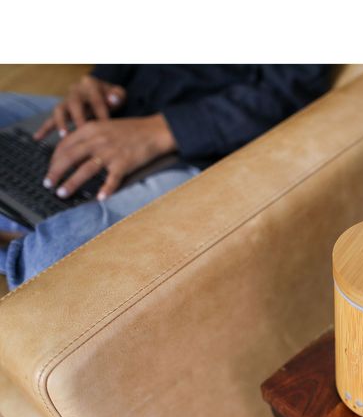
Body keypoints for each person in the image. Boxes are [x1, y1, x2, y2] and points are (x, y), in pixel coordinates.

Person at [0, 65, 331, 289]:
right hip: (121, 108)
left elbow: (288, 90)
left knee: (50, 261)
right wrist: (100, 79)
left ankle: (23, 232)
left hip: (200, 150)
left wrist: (160, 131)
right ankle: (24, 219)